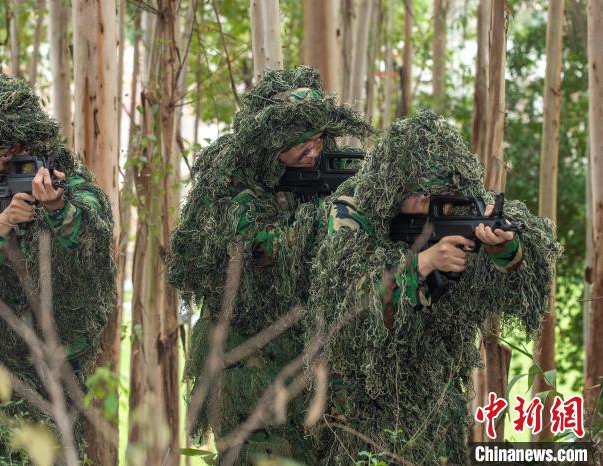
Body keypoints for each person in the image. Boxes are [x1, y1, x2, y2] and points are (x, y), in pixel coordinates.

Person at [305, 111, 561, 465]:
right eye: (420, 195)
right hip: (362, 409)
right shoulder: (351, 211)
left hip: (437, 404)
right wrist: (425, 263)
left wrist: (505, 250)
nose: (428, 207)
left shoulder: (464, 212)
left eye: (440, 195)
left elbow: (524, 273)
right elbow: (352, 297)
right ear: (394, 187)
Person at [168, 66, 372, 464]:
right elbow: (256, 247)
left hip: (310, 359)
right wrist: (328, 221)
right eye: (300, 144)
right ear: (270, 142)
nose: (313, 151)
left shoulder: (325, 168)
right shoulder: (229, 175)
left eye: (318, 139)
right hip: (248, 364)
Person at [0, 69, 115, 460]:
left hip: (53, 370)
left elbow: (96, 241)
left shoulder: (65, 178)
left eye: (16, 138)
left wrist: (57, 208)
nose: (8, 148)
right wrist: (0, 225)